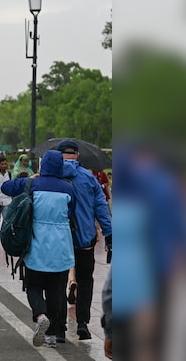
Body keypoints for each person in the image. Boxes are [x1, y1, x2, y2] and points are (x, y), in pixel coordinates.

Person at [2, 150, 75, 349]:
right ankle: (52, 335)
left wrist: (30, 179)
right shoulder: (68, 189)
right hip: (60, 245)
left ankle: (40, 315)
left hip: (35, 243)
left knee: (33, 285)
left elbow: (5, 187)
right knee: (56, 290)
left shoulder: (33, 184)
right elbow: (71, 212)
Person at [57, 139, 112, 341]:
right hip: (85, 239)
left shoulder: (52, 176)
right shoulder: (89, 178)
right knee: (86, 280)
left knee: (57, 282)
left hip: (58, 240)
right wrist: (109, 236)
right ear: (77, 156)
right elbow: (101, 209)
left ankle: (60, 327)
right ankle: (82, 323)